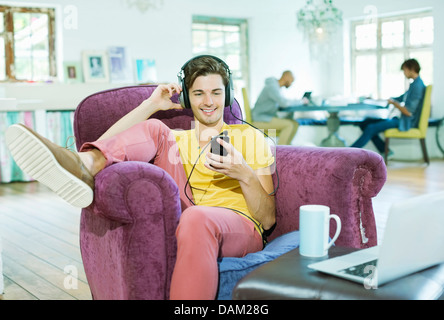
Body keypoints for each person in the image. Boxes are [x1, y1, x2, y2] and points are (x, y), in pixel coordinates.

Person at [5, 56, 276, 300]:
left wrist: (244, 174)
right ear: (187, 99)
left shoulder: (251, 138)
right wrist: (151, 105)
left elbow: (267, 219)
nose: (208, 101)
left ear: (227, 95)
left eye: (216, 93)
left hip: (239, 224)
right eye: (199, 93)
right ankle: (84, 164)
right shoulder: (177, 139)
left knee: (198, 218)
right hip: (190, 209)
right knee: (156, 128)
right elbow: (107, 141)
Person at [351, 59, 426, 154]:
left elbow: (408, 112)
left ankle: (349, 153)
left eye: (404, 70)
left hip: (405, 122)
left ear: (411, 69)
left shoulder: (418, 86)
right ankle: (384, 150)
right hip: (399, 119)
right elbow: (401, 98)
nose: (404, 73)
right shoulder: (414, 84)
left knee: (371, 128)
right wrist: (386, 100)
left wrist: (394, 103)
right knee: (365, 123)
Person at [251, 70, 308, 145]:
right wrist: (301, 101)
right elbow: (284, 103)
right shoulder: (272, 87)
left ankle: (287, 149)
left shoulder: (277, 87)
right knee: (289, 125)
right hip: (259, 120)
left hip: (266, 118)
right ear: (286, 76)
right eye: (292, 80)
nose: (291, 83)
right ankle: (281, 153)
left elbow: (283, 102)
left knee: (295, 124)